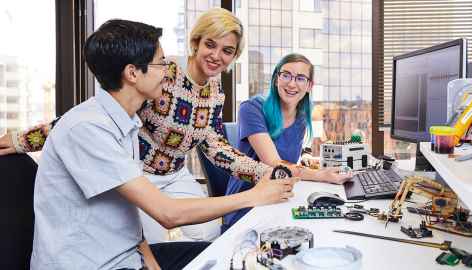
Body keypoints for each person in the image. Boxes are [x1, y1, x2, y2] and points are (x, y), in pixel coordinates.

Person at [28, 19, 296, 270]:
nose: (166, 70)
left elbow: (216, 147)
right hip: (94, 261)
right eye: (160, 63)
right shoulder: (88, 127)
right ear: (133, 73)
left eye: (227, 50)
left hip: (129, 246)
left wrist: (149, 261)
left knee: (223, 251)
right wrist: (254, 196)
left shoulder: (128, 123)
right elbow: (168, 213)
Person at [222, 53, 352, 232]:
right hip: (247, 206)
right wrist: (321, 175)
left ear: (309, 86)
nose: (291, 83)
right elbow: (275, 164)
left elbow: (289, 161)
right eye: (286, 75)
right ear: (276, 79)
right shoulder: (251, 109)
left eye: (300, 78)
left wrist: (311, 165)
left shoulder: (301, 119)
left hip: (279, 199)